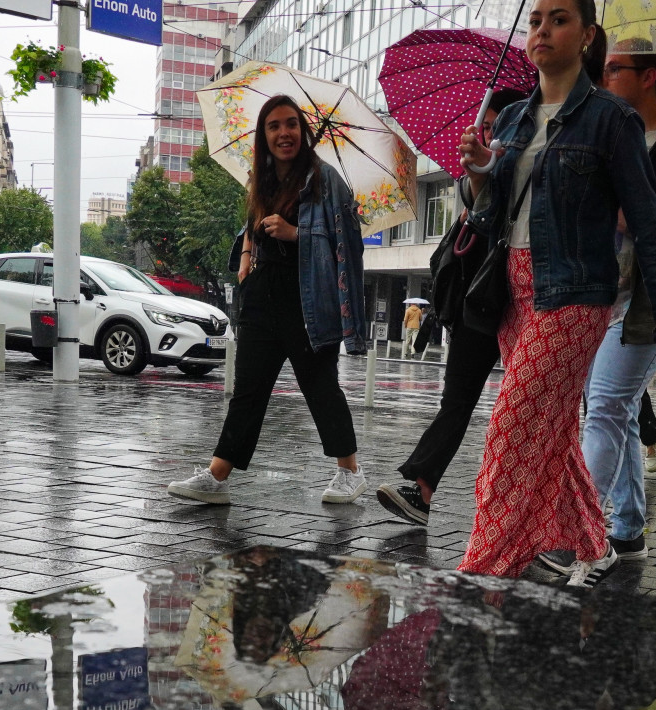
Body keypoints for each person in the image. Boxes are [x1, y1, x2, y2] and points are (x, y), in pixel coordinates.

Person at [456, 0, 656, 587]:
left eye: (558, 19)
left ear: (586, 36)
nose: (542, 30)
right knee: (554, 430)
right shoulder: (511, 119)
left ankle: (487, 565)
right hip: (512, 289)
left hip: (575, 293)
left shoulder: (613, 120)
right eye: (536, 19)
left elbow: (647, 220)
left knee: (512, 425)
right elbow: (487, 214)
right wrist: (481, 174)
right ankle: (593, 542)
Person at [535, 38, 656, 576]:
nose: (602, 75)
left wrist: (639, 222)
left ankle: (573, 536)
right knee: (612, 417)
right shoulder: (602, 130)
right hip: (593, 294)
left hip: (649, 303)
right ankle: (628, 531)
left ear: (649, 77)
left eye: (615, 69)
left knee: (606, 411)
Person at [168, 95, 367, 506]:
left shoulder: (324, 179)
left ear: (303, 130)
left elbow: (349, 245)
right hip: (262, 293)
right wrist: (244, 256)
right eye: (274, 126)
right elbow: (250, 228)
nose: (283, 133)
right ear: (263, 135)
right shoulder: (262, 180)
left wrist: (297, 234)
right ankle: (218, 476)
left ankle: (350, 470)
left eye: (291, 124)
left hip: (307, 297)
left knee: (320, 386)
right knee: (249, 389)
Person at [376, 89, 528, 525]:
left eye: (499, 126)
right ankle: (422, 490)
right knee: (457, 399)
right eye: (488, 125)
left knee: (536, 411)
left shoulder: (531, 160)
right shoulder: (474, 170)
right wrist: (479, 169)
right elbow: (477, 201)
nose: (491, 135)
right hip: (480, 298)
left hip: (528, 298)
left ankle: (533, 514)